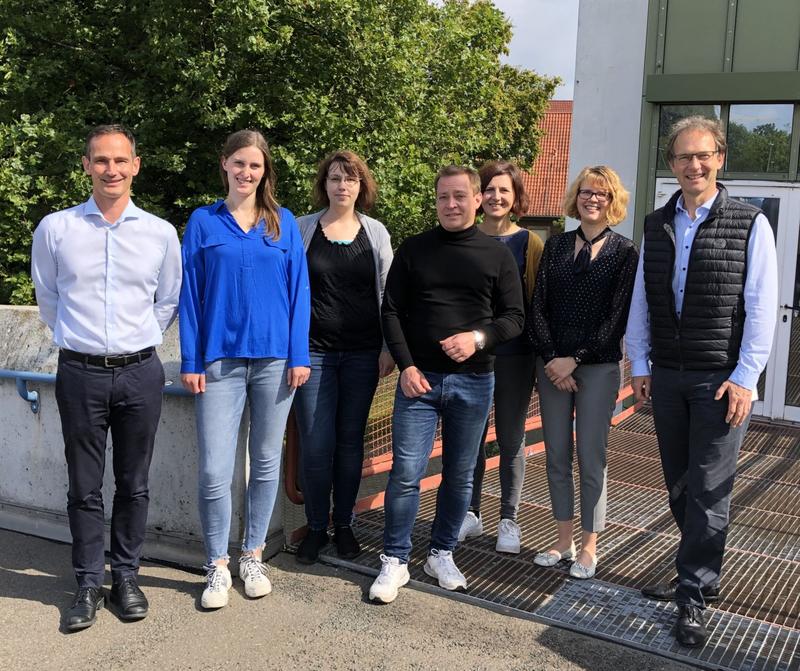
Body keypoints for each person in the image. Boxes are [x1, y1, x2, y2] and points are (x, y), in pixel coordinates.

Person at [626, 116, 778, 647]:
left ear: (720, 159)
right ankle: (695, 572)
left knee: (710, 489)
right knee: (680, 485)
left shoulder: (750, 223)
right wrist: (640, 363)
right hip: (667, 374)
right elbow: (643, 298)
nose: (694, 165)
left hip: (719, 380)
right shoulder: (656, 223)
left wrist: (745, 378)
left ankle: (692, 593)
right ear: (672, 165)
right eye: (684, 157)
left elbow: (761, 307)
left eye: (703, 155)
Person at [31, 124, 181, 631]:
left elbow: (168, 301)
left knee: (134, 483)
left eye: (120, 160)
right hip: (80, 372)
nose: (111, 169)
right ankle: (88, 583)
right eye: (101, 160)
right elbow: (48, 300)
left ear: (135, 165)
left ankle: (127, 577)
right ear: (86, 165)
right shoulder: (56, 228)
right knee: (83, 485)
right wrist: (89, 343)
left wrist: (133, 342)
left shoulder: (160, 233)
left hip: (140, 372)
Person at [368, 165, 525, 604]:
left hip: (474, 382)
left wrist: (477, 339)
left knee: (458, 475)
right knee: (406, 472)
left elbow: (514, 319)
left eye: (459, 196)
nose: (451, 205)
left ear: (477, 200)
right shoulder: (416, 250)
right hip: (418, 381)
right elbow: (392, 310)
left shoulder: (496, 255)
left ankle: (442, 552)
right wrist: (406, 366)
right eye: (443, 197)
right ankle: (395, 558)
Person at [179, 129, 311, 610]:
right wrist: (191, 359)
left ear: (264, 171)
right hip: (218, 362)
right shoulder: (202, 222)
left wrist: (299, 355)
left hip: (275, 361)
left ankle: (252, 554)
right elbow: (189, 296)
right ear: (225, 165)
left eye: (254, 165)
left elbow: (301, 295)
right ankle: (216, 564)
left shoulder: (284, 224)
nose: (246, 172)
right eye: (238, 163)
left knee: (266, 465)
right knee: (215, 469)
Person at [528, 166, 638, 580]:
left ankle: (590, 547)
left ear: (614, 201)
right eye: (587, 192)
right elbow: (538, 307)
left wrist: (574, 358)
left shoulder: (625, 252)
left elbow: (617, 317)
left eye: (603, 194)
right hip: (552, 365)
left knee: (591, 457)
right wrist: (554, 359)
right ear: (576, 197)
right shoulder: (555, 247)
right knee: (556, 454)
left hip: (597, 367)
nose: (593, 200)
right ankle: (562, 540)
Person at [293, 151, 394, 564]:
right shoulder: (301, 229)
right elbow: (288, 293)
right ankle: (316, 527)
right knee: (316, 446)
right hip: (313, 354)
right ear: (325, 184)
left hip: (362, 354)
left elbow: (389, 294)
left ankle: (346, 524)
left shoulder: (376, 233)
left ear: (361, 186)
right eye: (335, 178)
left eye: (350, 179)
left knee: (350, 444)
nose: (342, 186)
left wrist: (389, 348)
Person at [457, 161, 544, 553]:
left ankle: (509, 518)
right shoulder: (463, 237)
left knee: (510, 438)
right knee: (470, 438)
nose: (495, 197)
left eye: (503, 190)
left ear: (515, 198)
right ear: (478, 195)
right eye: (489, 189)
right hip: (471, 356)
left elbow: (536, 304)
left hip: (515, 355)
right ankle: (470, 513)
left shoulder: (530, 243)